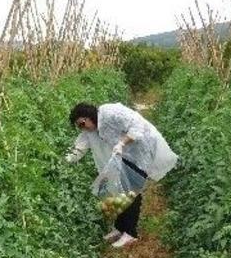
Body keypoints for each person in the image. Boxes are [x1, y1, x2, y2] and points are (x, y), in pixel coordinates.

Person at [64, 102, 178, 248]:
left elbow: (137, 126)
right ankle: (119, 228)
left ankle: (130, 233)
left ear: (88, 116)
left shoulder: (111, 113)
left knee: (131, 190)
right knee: (120, 190)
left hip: (141, 149)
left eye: (82, 124)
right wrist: (63, 161)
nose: (82, 128)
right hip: (124, 155)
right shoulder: (91, 130)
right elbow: (79, 147)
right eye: (79, 126)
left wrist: (122, 143)